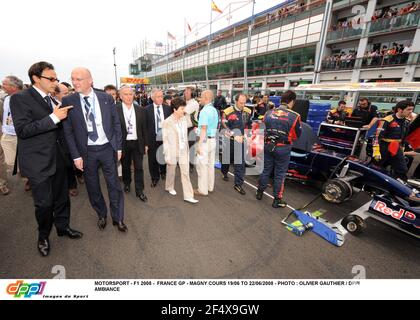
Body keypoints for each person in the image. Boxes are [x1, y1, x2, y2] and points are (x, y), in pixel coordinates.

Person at [10, 61, 82, 257]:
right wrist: (54, 117)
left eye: (56, 78)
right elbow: (23, 130)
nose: (55, 82)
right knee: (44, 204)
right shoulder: (20, 99)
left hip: (59, 159)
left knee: (62, 198)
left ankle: (63, 227)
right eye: (51, 78)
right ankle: (43, 236)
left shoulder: (52, 100)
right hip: (38, 162)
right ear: (35, 78)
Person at [62, 67, 127, 233]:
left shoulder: (105, 98)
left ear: (90, 80)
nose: (75, 82)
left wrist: (118, 146)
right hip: (87, 152)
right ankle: (101, 214)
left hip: (107, 148)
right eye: (73, 79)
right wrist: (75, 156)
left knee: (114, 184)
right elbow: (68, 131)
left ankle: (118, 217)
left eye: (79, 79)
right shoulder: (68, 101)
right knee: (92, 186)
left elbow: (116, 124)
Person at [256, 90, 302, 208]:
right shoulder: (295, 116)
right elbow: (297, 135)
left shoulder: (268, 112)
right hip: (283, 148)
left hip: (268, 145)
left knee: (265, 170)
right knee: (279, 174)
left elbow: (262, 128)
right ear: (292, 101)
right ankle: (277, 199)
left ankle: (259, 192)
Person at [162, 97, 198, 204]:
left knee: (185, 173)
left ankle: (188, 195)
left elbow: (193, 123)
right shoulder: (167, 122)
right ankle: (169, 186)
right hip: (172, 150)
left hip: (183, 150)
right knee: (171, 170)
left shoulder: (183, 119)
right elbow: (165, 140)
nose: (184, 111)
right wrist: (167, 155)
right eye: (182, 109)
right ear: (175, 109)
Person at [116, 85, 148, 202]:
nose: (129, 97)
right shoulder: (116, 110)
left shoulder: (140, 109)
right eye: (125, 94)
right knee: (125, 166)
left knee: (139, 167)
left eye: (130, 94)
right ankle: (127, 183)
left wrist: (146, 144)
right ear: (120, 96)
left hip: (137, 142)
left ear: (133, 95)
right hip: (123, 143)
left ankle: (140, 191)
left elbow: (144, 128)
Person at [372, 100, 414, 181]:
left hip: (397, 147)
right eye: (408, 109)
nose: (411, 112)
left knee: (402, 169)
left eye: (412, 109)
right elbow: (376, 137)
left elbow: (404, 138)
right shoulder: (386, 120)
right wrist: (376, 151)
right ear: (399, 110)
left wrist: (402, 149)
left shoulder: (406, 122)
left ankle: (400, 189)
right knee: (377, 168)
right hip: (383, 147)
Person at [51, 83, 80, 197]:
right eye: (65, 93)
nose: (68, 95)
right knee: (67, 162)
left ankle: (80, 174)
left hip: (75, 137)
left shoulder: (72, 102)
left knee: (77, 157)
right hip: (60, 139)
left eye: (68, 92)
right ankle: (72, 185)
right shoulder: (52, 105)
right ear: (56, 94)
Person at [220, 93, 252, 195]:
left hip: (241, 141)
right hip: (229, 140)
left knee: (240, 163)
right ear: (236, 101)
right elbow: (224, 127)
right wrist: (234, 136)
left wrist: (248, 135)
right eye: (241, 103)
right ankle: (224, 172)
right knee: (227, 160)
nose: (243, 105)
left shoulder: (248, 111)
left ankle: (238, 184)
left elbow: (249, 125)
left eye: (244, 103)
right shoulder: (227, 112)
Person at [144, 89, 172, 187]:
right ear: (152, 98)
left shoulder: (168, 108)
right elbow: (144, 127)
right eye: (158, 96)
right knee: (152, 159)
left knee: (164, 156)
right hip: (152, 138)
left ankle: (163, 172)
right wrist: (146, 143)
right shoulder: (146, 109)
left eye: (161, 96)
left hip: (165, 138)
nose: (161, 98)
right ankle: (154, 178)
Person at [1, 76, 23, 195]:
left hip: (21, 135)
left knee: (25, 159)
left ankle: (29, 178)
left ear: (13, 87)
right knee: (9, 162)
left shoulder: (25, 98)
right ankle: (24, 174)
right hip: (7, 135)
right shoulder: (6, 99)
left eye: (4, 84)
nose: (2, 86)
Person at [195, 90, 219, 196]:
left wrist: (199, 145)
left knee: (202, 166)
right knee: (210, 165)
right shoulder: (214, 110)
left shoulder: (204, 111)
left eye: (201, 97)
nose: (200, 99)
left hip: (204, 141)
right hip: (213, 140)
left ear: (205, 98)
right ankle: (210, 187)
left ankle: (202, 190)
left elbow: (204, 129)